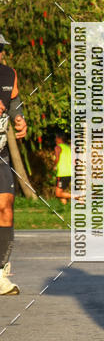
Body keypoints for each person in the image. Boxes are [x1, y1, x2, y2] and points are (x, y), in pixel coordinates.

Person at [0, 34, 27, 295]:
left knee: (6, 204)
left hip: (0, 153)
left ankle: (0, 271)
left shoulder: (9, 75)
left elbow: (15, 105)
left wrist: (19, 119)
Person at [54, 132, 72, 203]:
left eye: (56, 138)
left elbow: (57, 158)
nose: (55, 140)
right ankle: (64, 208)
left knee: (58, 194)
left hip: (62, 173)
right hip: (69, 173)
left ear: (59, 139)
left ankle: (77, 197)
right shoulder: (68, 147)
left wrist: (54, 165)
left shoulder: (58, 147)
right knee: (61, 192)